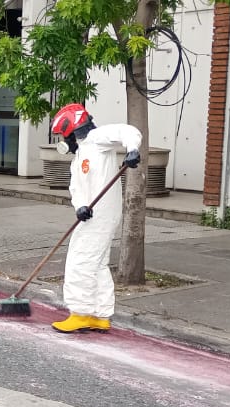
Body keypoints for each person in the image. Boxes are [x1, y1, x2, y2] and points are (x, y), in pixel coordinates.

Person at [47, 103, 142, 334]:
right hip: (91, 215)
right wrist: (79, 207)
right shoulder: (81, 155)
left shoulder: (98, 139)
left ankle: (80, 313)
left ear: (72, 129)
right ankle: (100, 315)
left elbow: (128, 131)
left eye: (64, 135)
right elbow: (76, 188)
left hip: (102, 214)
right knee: (97, 264)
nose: (64, 140)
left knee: (81, 261)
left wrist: (132, 149)